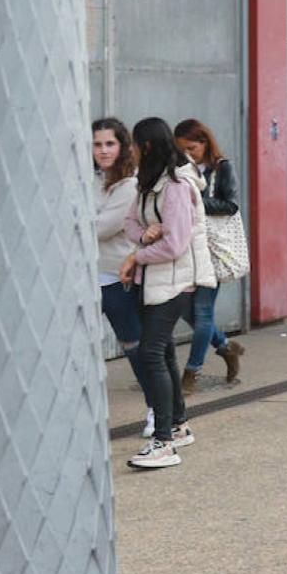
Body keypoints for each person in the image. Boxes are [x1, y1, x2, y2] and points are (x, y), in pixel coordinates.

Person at [121, 117, 212, 469]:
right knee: (164, 352)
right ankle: (178, 425)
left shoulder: (176, 186)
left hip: (177, 281)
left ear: (146, 146)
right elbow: (130, 223)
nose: (130, 149)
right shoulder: (151, 183)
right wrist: (144, 237)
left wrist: (136, 255)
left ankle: (163, 442)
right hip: (156, 279)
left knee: (151, 353)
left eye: (133, 143)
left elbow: (175, 244)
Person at [173, 118, 246, 391]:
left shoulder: (222, 167)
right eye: (182, 149)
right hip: (185, 249)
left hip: (211, 251)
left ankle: (191, 374)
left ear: (205, 143)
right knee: (185, 310)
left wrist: (194, 201)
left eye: (192, 147)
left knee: (202, 313)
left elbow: (231, 205)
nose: (188, 154)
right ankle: (227, 347)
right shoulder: (179, 170)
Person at [92, 118, 154, 437]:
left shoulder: (128, 184)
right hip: (88, 277)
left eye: (110, 144)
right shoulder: (93, 181)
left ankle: (158, 409)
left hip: (118, 275)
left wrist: (81, 220)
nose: (103, 150)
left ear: (123, 146)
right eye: (98, 144)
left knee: (134, 344)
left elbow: (100, 227)